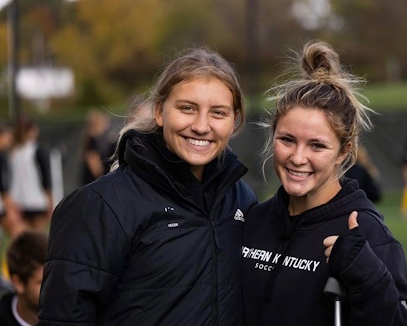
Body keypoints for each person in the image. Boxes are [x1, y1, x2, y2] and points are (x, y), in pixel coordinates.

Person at [38, 46, 257, 326]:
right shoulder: (100, 205)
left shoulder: (241, 200)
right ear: (159, 111)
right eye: (187, 108)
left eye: (218, 113)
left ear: (234, 121)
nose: (202, 126)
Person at [242, 40, 407, 326]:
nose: (298, 158)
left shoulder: (367, 233)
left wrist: (369, 277)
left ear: (344, 152)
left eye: (317, 146)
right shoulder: (254, 220)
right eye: (287, 140)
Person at [9, 116, 53, 231]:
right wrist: (50, 199)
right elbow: (45, 177)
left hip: (19, 201)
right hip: (37, 201)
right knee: (38, 238)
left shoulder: (13, 152)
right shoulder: (37, 150)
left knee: (25, 239)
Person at [0, 230, 47, 326]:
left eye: (56, 281)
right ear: (18, 283)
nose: (54, 289)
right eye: (43, 282)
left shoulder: (75, 317)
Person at [0, 122, 25, 238]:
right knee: (19, 234)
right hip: (3, 206)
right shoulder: (2, 156)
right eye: (7, 135)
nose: (10, 138)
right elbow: (3, 186)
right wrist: (11, 209)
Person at [80, 109, 117, 186]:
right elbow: (94, 165)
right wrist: (104, 179)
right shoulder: (92, 140)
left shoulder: (93, 140)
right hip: (92, 183)